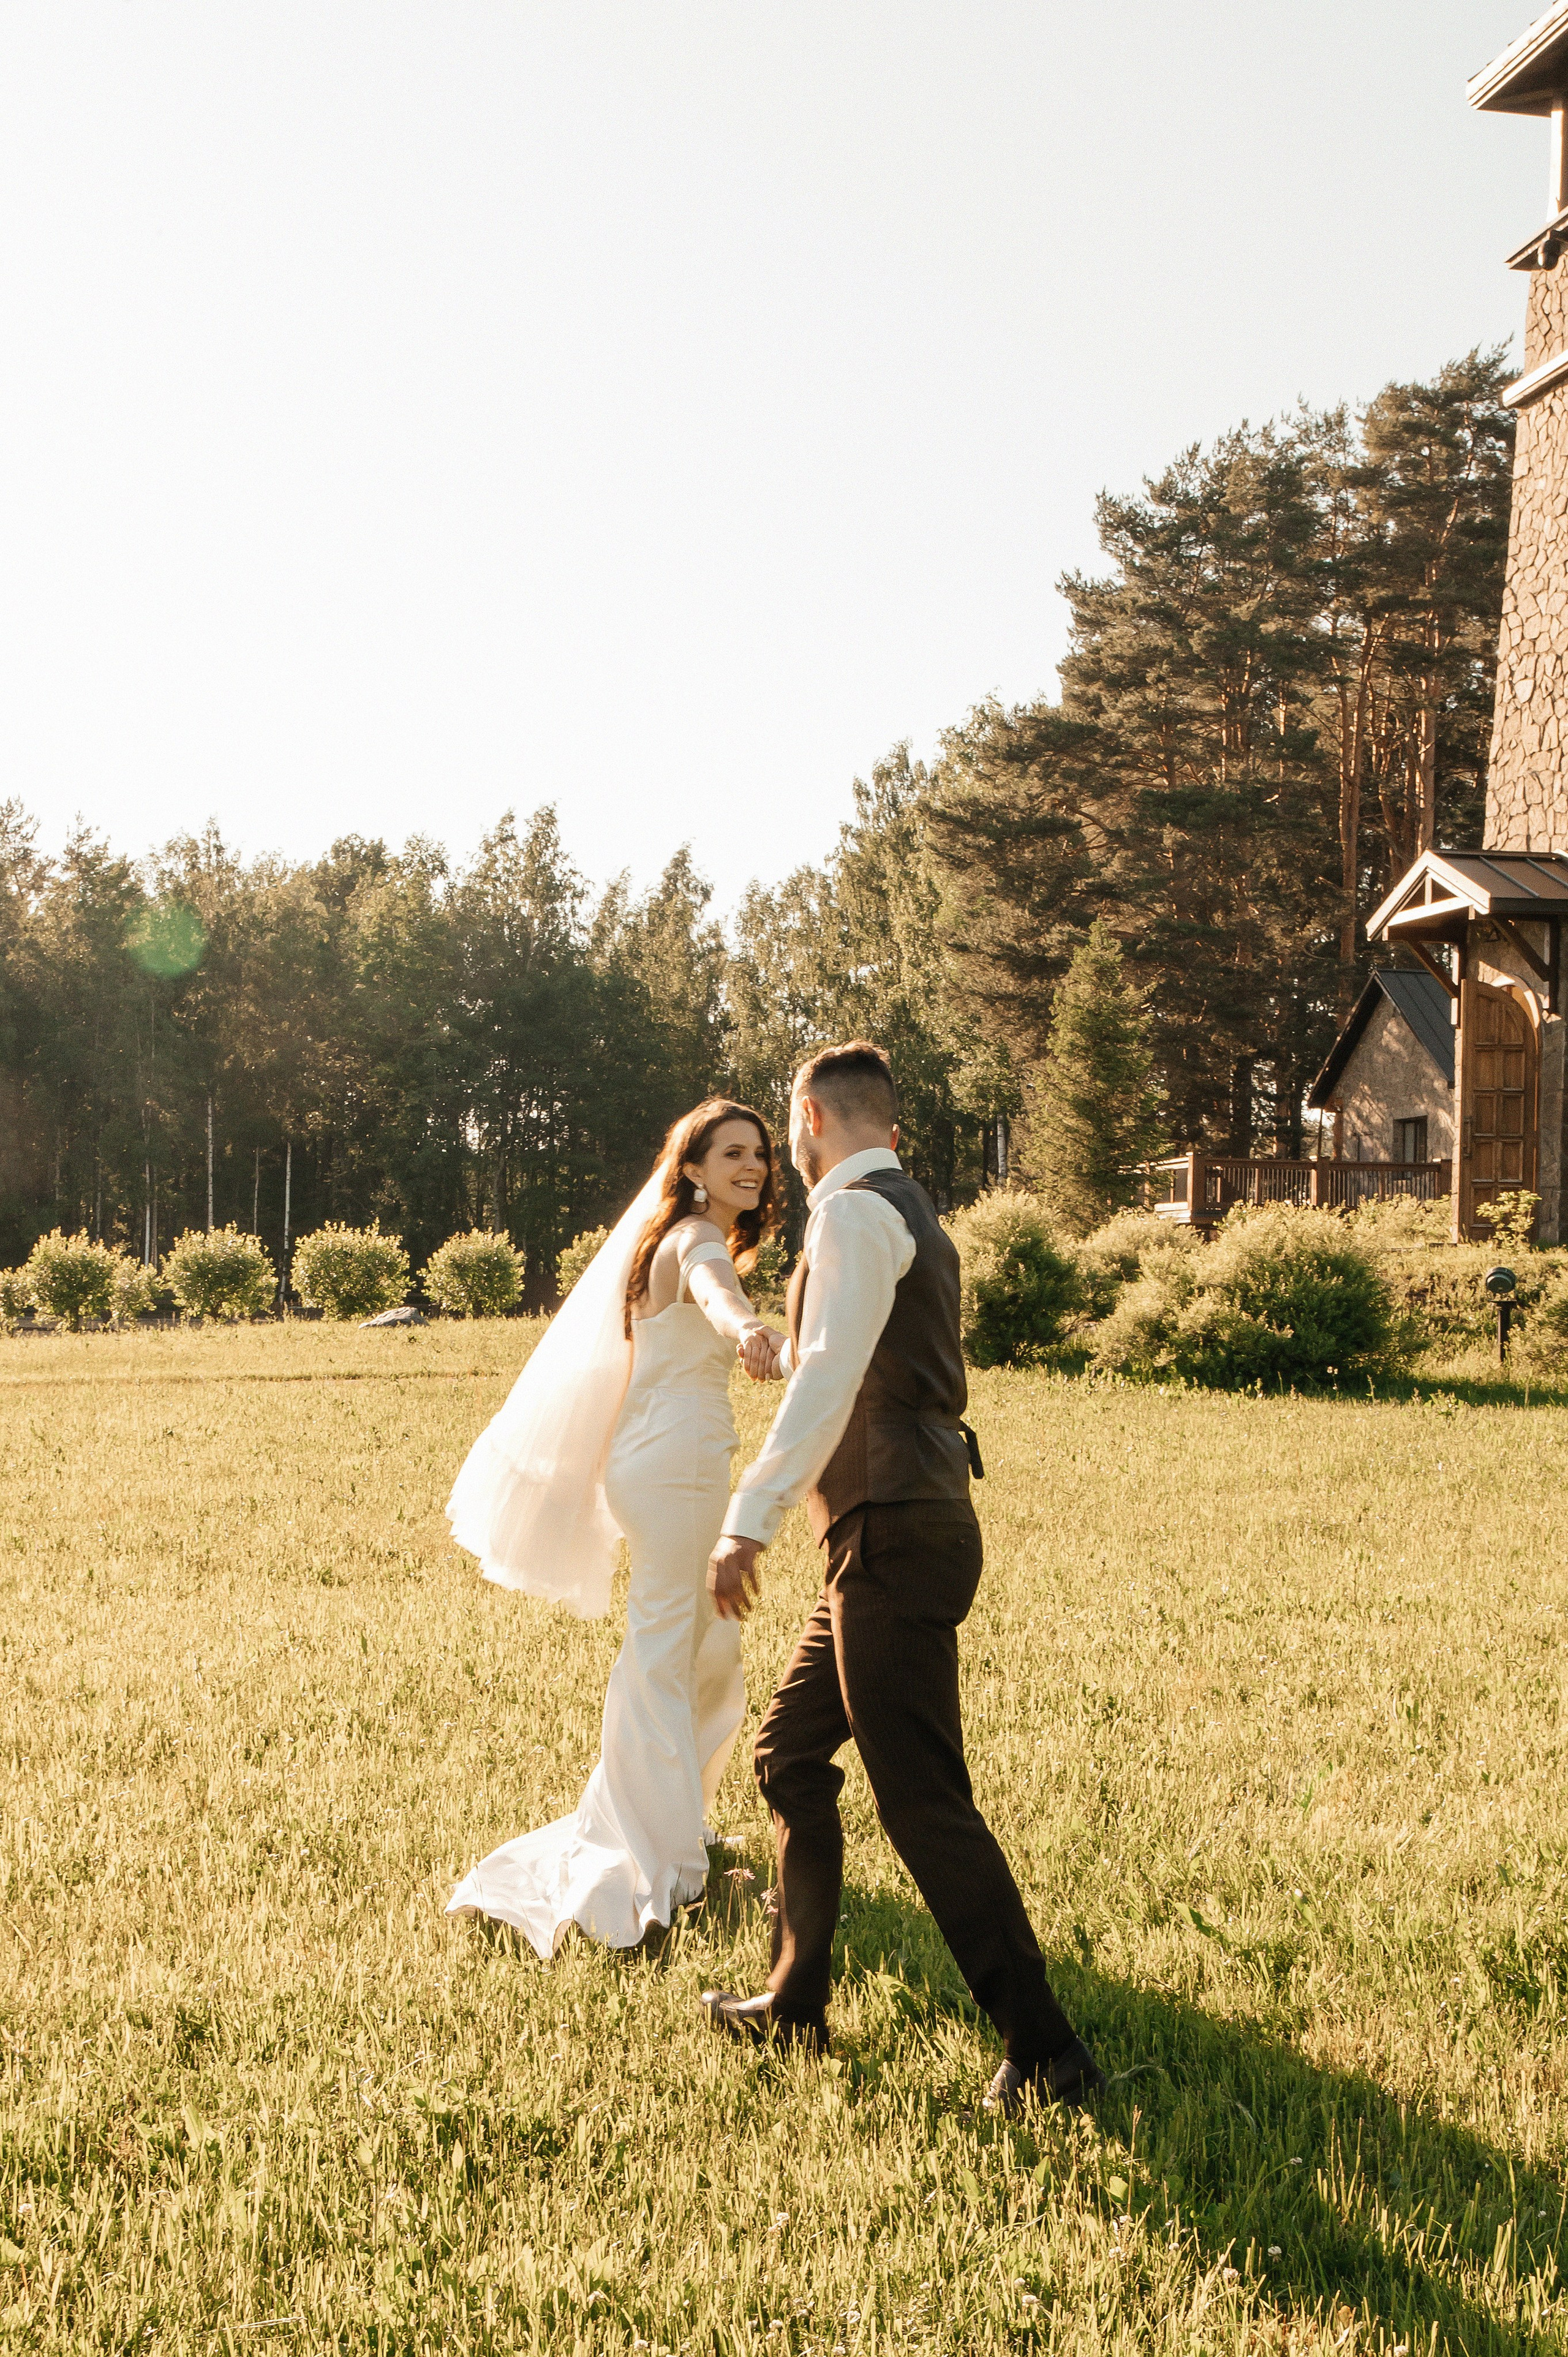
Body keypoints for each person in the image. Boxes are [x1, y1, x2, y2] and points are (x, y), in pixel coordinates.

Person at [698, 1043, 1101, 2114]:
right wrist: (791, 1355)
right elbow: (855, 1357)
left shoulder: (850, 1212)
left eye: (788, 1128)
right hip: (890, 1528)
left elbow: (833, 1379)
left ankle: (1048, 2052)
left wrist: (747, 1521)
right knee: (789, 1754)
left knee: (923, 1800)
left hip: (892, 1532)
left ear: (811, 1117)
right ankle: (796, 1999)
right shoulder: (903, 1207)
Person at [444, 1099, 785, 1958]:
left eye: (760, 1152)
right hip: (676, 1470)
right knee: (666, 1649)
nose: (752, 1165)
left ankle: (674, 1823)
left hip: (664, 1461)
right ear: (693, 1168)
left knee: (703, 1644)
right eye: (732, 1153)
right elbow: (717, 1298)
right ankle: (648, 1855)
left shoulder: (673, 1239)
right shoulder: (697, 1240)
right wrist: (749, 1327)